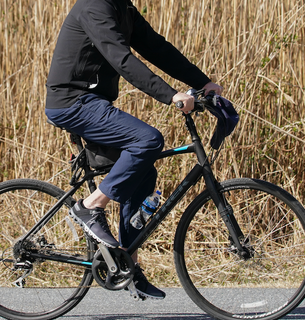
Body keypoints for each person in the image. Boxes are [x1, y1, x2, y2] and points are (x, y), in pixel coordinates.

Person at [44, 0, 223, 300]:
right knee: (149, 140)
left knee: (144, 172)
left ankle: (126, 263)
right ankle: (90, 207)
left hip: (93, 102)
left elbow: (157, 48)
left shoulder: (122, 8)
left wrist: (202, 83)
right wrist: (170, 95)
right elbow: (121, 60)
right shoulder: (95, 6)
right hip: (71, 103)